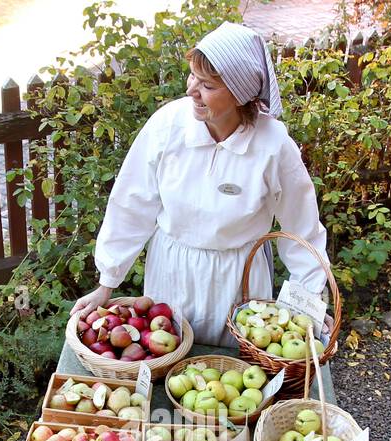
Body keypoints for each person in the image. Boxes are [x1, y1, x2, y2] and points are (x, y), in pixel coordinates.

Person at [70, 21, 329, 348]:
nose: (191, 89)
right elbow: (131, 204)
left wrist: (306, 305)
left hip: (240, 281)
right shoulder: (167, 127)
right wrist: (107, 282)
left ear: (240, 94)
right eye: (193, 75)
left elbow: (302, 230)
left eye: (207, 85)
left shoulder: (273, 146)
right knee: (167, 364)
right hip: (171, 272)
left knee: (234, 380)